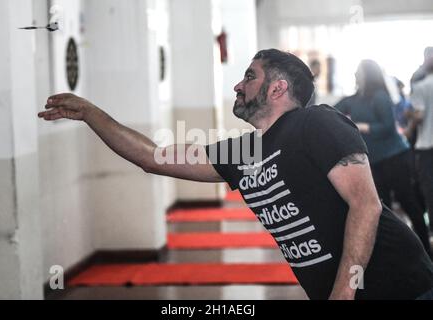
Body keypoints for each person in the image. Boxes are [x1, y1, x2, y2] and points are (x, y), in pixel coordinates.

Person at [38, 49, 433, 300]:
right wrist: (91, 114)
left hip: (399, 283)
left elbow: (366, 205)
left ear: (278, 89)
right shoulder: (241, 152)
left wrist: (344, 294)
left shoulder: (317, 123)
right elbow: (151, 157)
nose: (237, 85)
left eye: (249, 76)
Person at [335, 60, 431, 256]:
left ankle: (426, 251)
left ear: (367, 74)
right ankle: (393, 254)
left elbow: (387, 126)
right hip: (374, 161)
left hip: (395, 157)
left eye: (358, 71)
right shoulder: (354, 99)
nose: (354, 74)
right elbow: (331, 110)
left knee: (408, 203)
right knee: (382, 208)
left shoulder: (379, 97)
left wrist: (363, 127)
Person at [410, 54, 433, 234]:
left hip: (427, 145)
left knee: (430, 190)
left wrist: (408, 120)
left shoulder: (421, 86)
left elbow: (419, 115)